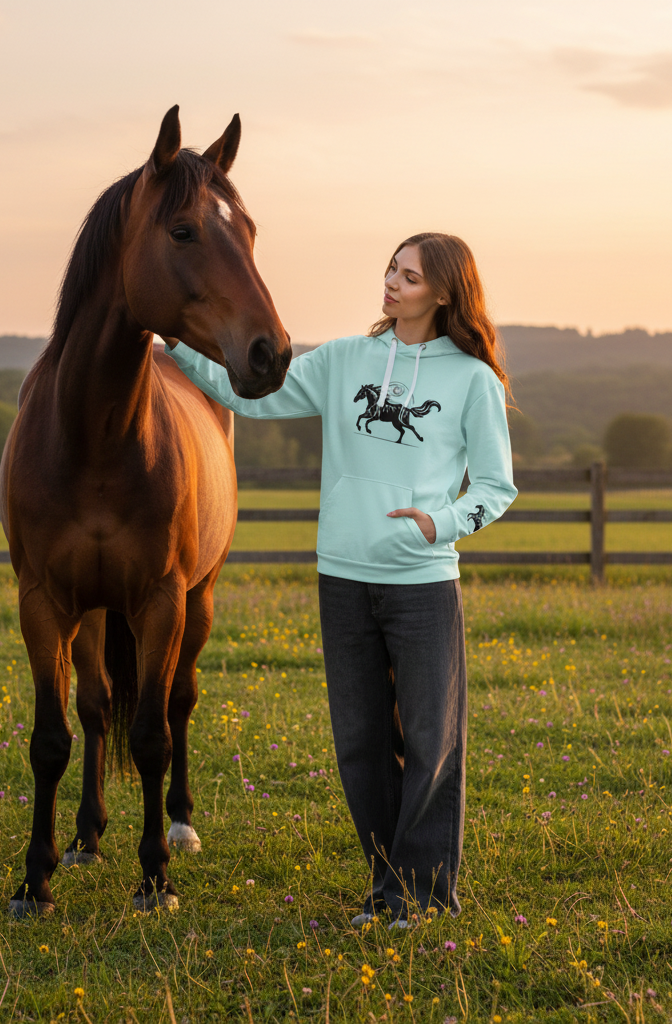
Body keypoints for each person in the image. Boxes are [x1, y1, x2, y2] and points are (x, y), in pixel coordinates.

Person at [165, 232, 517, 926]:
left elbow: (498, 486)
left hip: (422, 583)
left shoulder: (473, 379)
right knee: (359, 746)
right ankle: (388, 888)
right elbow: (257, 398)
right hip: (343, 579)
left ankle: (424, 897)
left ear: (443, 293)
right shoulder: (348, 359)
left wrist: (438, 524)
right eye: (391, 268)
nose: (391, 282)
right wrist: (176, 347)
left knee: (429, 742)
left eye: (409, 276)